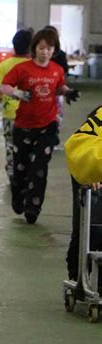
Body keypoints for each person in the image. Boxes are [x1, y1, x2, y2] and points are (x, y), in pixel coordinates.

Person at [0, 28, 80, 224]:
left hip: (48, 125)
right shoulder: (22, 69)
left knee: (39, 167)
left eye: (49, 48)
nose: (45, 52)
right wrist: (18, 94)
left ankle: (33, 208)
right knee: (20, 167)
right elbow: (4, 86)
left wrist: (68, 92)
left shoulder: (57, 70)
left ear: (54, 50)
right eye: (41, 48)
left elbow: (58, 87)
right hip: (24, 125)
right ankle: (19, 197)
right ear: (34, 48)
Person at [0, 29, 33, 183]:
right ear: (30, 47)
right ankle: (26, 174)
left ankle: (13, 175)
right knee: (28, 146)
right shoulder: (33, 65)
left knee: (10, 145)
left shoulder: (4, 65)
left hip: (9, 115)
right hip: (30, 116)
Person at [64, 106, 102, 282]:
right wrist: (94, 175)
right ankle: (77, 274)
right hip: (87, 165)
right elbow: (82, 148)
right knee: (87, 226)